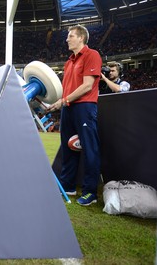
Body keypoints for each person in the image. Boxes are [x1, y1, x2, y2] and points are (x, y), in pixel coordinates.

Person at [46, 24, 102, 206]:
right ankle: (67, 185)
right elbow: (66, 89)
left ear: (81, 38)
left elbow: (87, 86)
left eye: (70, 36)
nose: (67, 39)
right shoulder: (69, 61)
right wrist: (58, 102)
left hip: (84, 107)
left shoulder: (92, 55)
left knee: (89, 149)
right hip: (68, 107)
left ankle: (90, 192)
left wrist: (64, 100)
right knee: (68, 149)